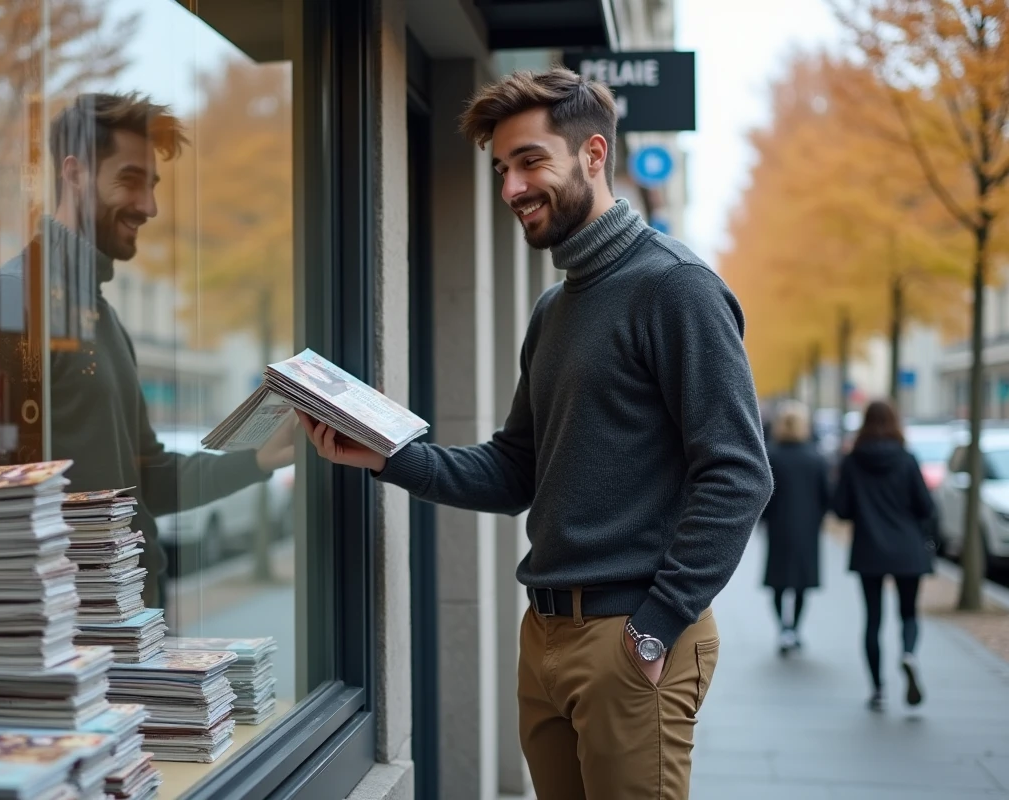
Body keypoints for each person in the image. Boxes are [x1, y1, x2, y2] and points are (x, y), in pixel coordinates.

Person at [297, 67, 773, 800]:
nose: (512, 188)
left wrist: (657, 625)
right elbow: (515, 470)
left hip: (631, 637)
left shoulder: (675, 287)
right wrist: (390, 457)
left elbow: (739, 472)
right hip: (545, 635)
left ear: (592, 154)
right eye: (501, 169)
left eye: (530, 162)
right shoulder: (554, 309)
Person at [0, 92, 294, 606]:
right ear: (75, 174)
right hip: (67, 635)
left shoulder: (102, 317)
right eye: (130, 180)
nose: (149, 206)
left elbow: (146, 477)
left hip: (128, 627)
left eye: (153, 185)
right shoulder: (10, 302)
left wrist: (257, 458)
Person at [832, 400, 934, 711]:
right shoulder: (907, 459)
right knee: (909, 612)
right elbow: (926, 506)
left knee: (873, 619)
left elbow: (841, 509)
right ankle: (908, 654)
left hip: (869, 548)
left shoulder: (853, 461)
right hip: (907, 548)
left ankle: (877, 689)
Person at [761, 400, 829, 655]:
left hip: (778, 527)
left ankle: (783, 629)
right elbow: (826, 496)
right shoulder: (816, 458)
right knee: (802, 582)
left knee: (778, 581)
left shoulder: (771, 455)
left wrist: (764, 520)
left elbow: (763, 493)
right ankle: (795, 629)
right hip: (807, 528)